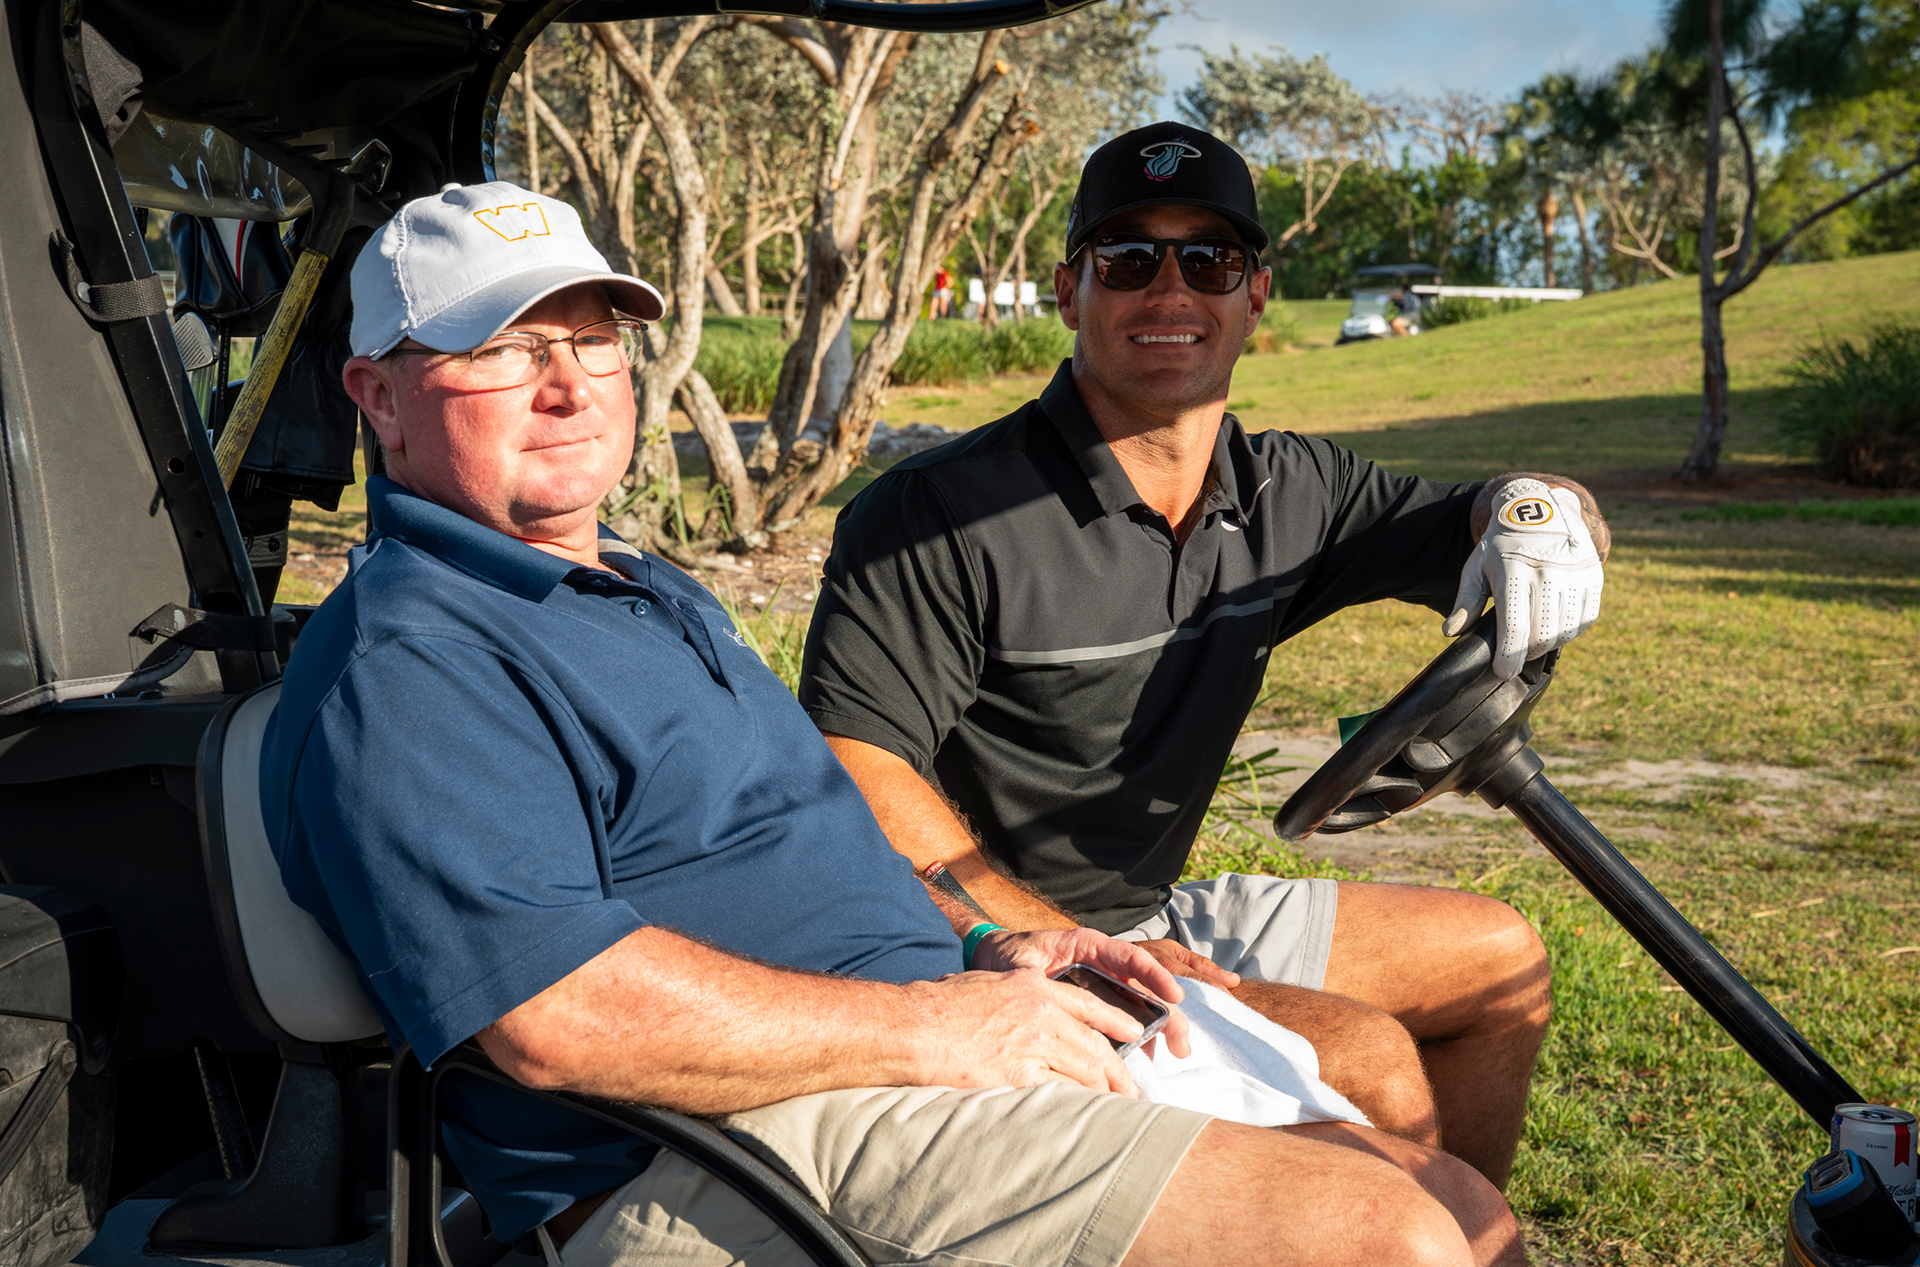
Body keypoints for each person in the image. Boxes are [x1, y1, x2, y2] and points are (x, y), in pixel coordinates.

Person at [261, 179, 1527, 1267]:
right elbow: (559, 1018)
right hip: (711, 1152)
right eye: (501, 350)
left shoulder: (639, 586)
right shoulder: (415, 660)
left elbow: (811, 834)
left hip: (906, 1042)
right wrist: (939, 1025)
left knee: (1451, 1200)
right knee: (1391, 1233)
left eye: (593, 340)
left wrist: (988, 940)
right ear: (378, 395)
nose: (567, 386)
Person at [798, 121, 1610, 1188]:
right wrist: (1043, 938)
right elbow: (857, 772)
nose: (1171, 290)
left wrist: (1540, 509)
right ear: (1070, 290)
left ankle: (1455, 1230)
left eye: (1211, 261)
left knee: (1501, 962)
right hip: (979, 945)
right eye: (1131, 259)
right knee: (1369, 1062)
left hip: (1155, 913)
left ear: (1255, 293)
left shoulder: (1290, 491)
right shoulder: (937, 515)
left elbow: (1481, 511)